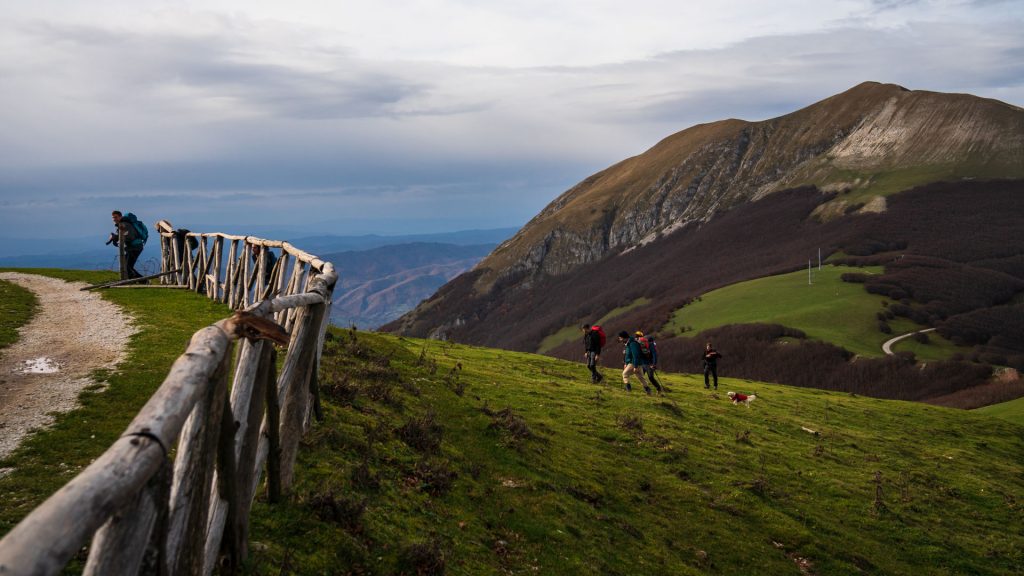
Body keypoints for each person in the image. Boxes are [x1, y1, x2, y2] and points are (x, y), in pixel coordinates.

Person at [107, 210, 145, 280]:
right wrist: (116, 238)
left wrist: (116, 238)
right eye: (113, 218)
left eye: (116, 217)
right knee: (127, 266)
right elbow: (122, 236)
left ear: (120, 216)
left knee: (127, 266)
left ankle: (143, 281)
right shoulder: (122, 224)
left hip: (135, 248)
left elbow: (130, 237)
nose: (114, 219)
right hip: (133, 247)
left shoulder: (125, 224)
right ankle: (135, 280)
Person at [618, 330, 653, 395]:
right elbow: (628, 354)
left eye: (620, 338)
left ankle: (629, 391)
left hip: (633, 363)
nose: (620, 339)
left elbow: (636, 355)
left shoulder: (632, 344)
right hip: (637, 363)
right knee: (641, 377)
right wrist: (626, 363)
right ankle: (648, 390)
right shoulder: (629, 343)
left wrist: (635, 366)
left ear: (624, 337)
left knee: (625, 374)